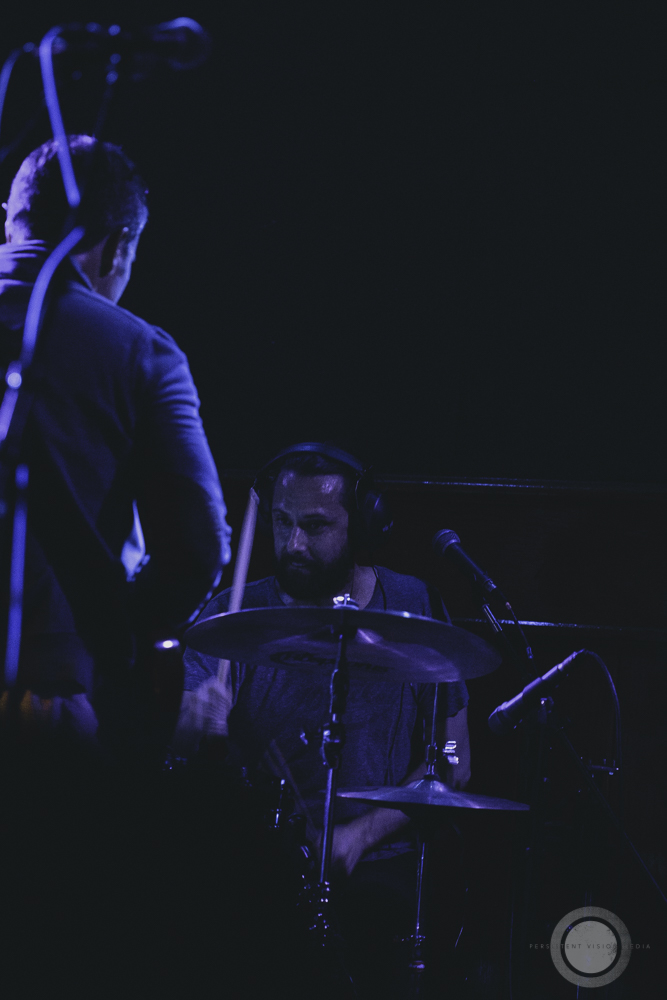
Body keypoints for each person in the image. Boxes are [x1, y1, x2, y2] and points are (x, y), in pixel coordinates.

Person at [181, 443, 471, 997]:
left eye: (315, 526)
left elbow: (454, 760)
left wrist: (359, 836)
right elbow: (180, 732)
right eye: (282, 522)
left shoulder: (413, 607)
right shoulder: (234, 616)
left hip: (377, 864)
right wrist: (191, 717)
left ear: (360, 527)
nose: (294, 544)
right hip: (259, 860)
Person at [0, 135, 231, 755]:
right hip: (43, 707)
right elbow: (198, 550)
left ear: (11, 220)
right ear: (117, 246)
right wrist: (121, 640)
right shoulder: (139, 351)